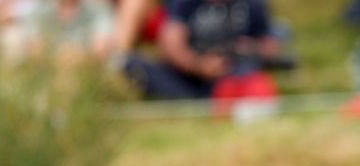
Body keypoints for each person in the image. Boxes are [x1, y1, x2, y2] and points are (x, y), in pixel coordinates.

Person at [122, 0, 285, 100]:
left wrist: (250, 49)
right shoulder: (185, 3)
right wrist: (199, 65)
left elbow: (271, 45)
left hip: (237, 74)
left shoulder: (252, 4)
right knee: (134, 65)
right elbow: (170, 43)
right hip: (190, 76)